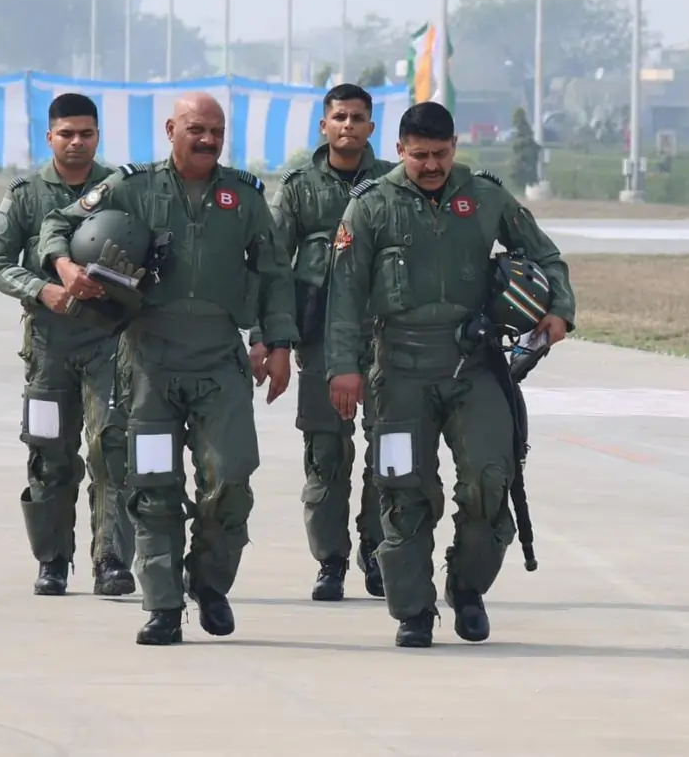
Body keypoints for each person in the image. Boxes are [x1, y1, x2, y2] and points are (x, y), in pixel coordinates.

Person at [39, 91, 299, 646]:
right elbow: (56, 227)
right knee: (153, 486)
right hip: (149, 365)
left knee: (230, 478)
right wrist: (66, 268)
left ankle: (209, 582)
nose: (206, 140)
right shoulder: (131, 187)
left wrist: (276, 343)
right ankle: (161, 605)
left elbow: (275, 273)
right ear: (170, 129)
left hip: (219, 362)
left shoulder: (244, 196)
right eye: (195, 129)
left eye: (216, 132)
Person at [323, 101, 576, 648]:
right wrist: (343, 368)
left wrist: (559, 308)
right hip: (397, 371)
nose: (432, 165)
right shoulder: (370, 206)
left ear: (455, 147)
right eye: (420, 156)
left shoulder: (484, 195)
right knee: (403, 491)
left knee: (491, 480)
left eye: (441, 154)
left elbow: (545, 254)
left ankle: (467, 589)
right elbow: (342, 297)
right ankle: (413, 610)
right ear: (399, 151)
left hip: (474, 367)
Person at [0, 92, 136, 598]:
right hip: (49, 346)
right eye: (66, 134)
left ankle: (111, 559)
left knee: (111, 449)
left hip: (110, 343)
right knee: (49, 453)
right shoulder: (26, 193)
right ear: (49, 137)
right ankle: (52, 559)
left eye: (85, 134)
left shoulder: (118, 189)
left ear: (97, 136)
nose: (76, 143)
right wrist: (40, 288)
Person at [247, 83, 396, 603]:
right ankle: (330, 560)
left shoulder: (393, 184)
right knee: (325, 454)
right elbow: (271, 267)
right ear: (324, 126)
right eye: (339, 117)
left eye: (358, 118)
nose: (348, 126)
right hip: (319, 342)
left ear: (371, 128)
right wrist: (268, 336)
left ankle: (380, 552)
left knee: (390, 452)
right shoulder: (297, 188)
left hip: (384, 341)